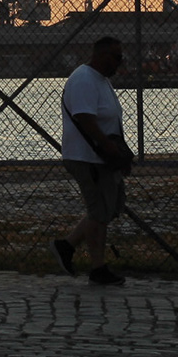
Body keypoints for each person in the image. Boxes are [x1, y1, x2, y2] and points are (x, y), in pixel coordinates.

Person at [54, 36, 130, 285]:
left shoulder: (101, 80)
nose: (119, 63)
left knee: (109, 207)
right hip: (87, 157)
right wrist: (107, 146)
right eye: (116, 57)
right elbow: (85, 118)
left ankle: (67, 246)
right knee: (99, 211)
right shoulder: (84, 79)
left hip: (100, 157)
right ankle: (98, 268)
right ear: (100, 55)